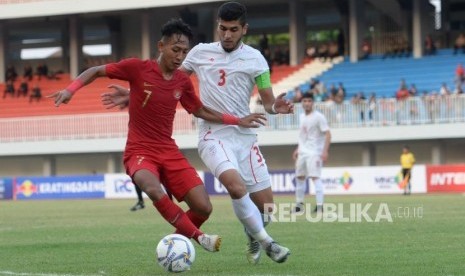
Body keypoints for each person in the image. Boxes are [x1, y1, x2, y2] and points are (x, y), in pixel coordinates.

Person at [47, 18, 267, 253]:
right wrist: (70, 90)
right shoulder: (137, 68)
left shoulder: (182, 81)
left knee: (203, 207)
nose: (180, 56)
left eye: (184, 51)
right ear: (161, 47)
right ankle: (201, 238)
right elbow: (96, 70)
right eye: (175, 50)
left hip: (168, 151)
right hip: (139, 151)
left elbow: (200, 110)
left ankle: (172, 248)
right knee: (153, 189)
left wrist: (238, 120)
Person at [104, 2, 292, 264]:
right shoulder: (199, 53)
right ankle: (267, 243)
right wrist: (132, 91)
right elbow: (166, 79)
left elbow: (268, 99)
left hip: (245, 137)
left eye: (233, 29)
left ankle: (253, 232)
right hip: (212, 134)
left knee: (267, 208)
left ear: (244, 29)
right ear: (217, 26)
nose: (227, 35)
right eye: (222, 28)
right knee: (235, 187)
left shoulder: (256, 60)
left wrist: (275, 107)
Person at [292, 93, 331, 213]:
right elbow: (303, 136)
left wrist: (325, 151)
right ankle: (299, 205)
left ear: (313, 103)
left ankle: (320, 206)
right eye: (304, 101)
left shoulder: (319, 117)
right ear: (301, 103)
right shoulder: (301, 116)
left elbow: (328, 134)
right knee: (299, 177)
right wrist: (297, 149)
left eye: (309, 101)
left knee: (315, 177)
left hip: (315, 152)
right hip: (302, 152)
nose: (307, 103)